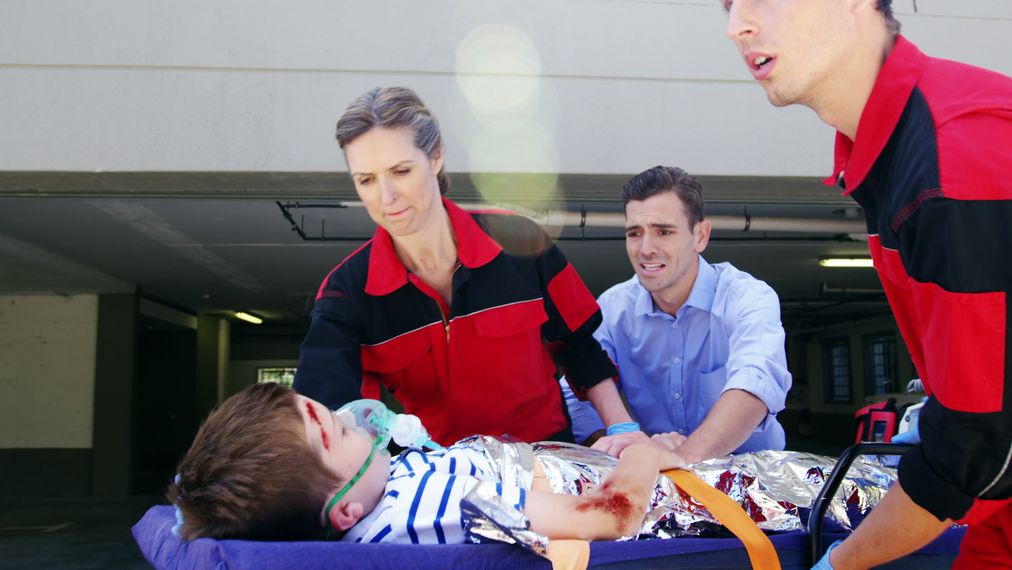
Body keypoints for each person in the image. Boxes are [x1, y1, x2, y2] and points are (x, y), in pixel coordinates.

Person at [723, 1, 1012, 568]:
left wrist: (840, 563)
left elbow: (984, 447)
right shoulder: (894, 154)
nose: (736, 26)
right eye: (728, 6)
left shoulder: (960, 162)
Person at [293, 86, 638, 447]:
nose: (386, 197)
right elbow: (328, 415)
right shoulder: (345, 293)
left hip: (547, 459)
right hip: (444, 480)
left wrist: (622, 429)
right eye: (366, 180)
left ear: (436, 156)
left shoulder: (521, 240)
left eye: (401, 170)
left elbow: (580, 347)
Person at [169, 382, 685, 545]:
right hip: (667, 496)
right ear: (343, 510)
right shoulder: (426, 505)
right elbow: (611, 516)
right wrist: (644, 453)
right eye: (343, 431)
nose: (359, 421)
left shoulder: (379, 495)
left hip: (595, 465)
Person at [565, 166, 792, 463]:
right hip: (652, 482)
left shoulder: (748, 297)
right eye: (635, 233)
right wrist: (626, 447)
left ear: (700, 236)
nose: (646, 249)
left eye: (663, 232)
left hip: (750, 481)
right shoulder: (612, 308)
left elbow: (754, 385)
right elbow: (574, 398)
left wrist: (677, 460)